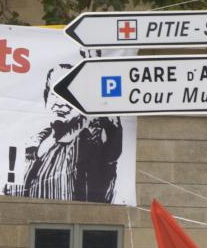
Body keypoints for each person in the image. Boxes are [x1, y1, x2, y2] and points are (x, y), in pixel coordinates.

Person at [13, 63, 124, 203]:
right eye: (55, 94)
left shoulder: (93, 139)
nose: (60, 103)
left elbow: (113, 148)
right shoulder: (33, 142)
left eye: (68, 96)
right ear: (46, 97)